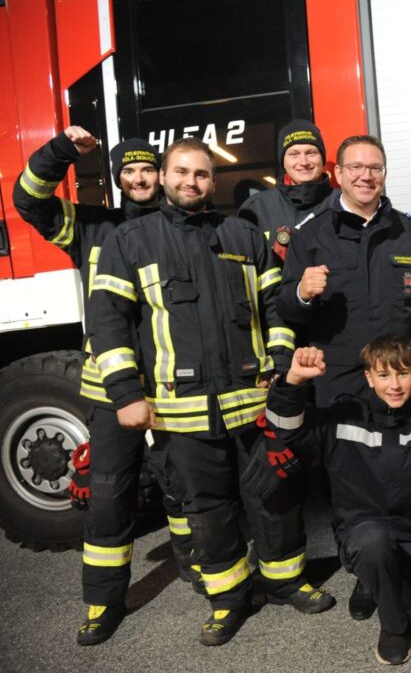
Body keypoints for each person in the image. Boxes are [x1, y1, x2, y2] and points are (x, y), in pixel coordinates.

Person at [88, 138, 332, 646]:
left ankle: (286, 580)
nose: (191, 182)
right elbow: (109, 323)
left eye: (201, 174)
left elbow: (276, 311)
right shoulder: (130, 241)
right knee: (208, 509)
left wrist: (282, 366)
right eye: (181, 172)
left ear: (211, 181)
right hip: (182, 412)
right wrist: (126, 394)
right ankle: (229, 599)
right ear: (163, 175)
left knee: (275, 497)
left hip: (251, 402)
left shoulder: (243, 235)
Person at [13, 127, 200, 645]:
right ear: (118, 178)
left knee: (181, 483)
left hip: (168, 386)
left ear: (160, 176)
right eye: (129, 171)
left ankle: (196, 568)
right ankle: (103, 602)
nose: (139, 178)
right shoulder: (91, 226)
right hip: (109, 389)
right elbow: (28, 200)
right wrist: (61, 151)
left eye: (147, 170)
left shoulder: (181, 227)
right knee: (110, 496)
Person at [263, 337, 411, 664]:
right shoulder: (342, 414)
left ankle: (401, 586)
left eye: (403, 374)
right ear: (368, 377)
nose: (394, 385)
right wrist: (293, 381)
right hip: (364, 531)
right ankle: (393, 625)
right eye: (384, 375)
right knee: (373, 542)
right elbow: (286, 432)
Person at [277, 134, 411, 406]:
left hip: (400, 380)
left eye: (375, 168)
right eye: (356, 167)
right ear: (338, 173)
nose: (366, 176)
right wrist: (302, 293)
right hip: (337, 385)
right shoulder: (310, 234)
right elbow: (287, 310)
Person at [238, 119, 335, 261]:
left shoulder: (342, 203)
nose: (304, 162)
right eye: (294, 154)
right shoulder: (256, 208)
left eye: (311, 153)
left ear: (322, 159)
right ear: (283, 161)